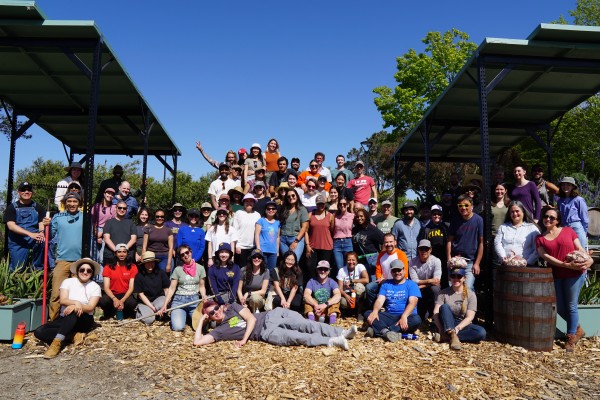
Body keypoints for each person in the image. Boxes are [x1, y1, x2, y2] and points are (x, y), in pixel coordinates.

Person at [193, 300, 356, 350]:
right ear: (210, 317)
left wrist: (243, 340)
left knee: (305, 324)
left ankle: (341, 332)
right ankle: (332, 341)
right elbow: (197, 342)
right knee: (297, 337)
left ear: (219, 306)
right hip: (264, 332)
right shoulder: (219, 331)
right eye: (211, 313)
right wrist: (201, 321)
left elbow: (251, 319)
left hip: (272, 315)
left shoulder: (233, 308)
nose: (216, 312)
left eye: (216, 308)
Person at [536, 208, 592, 352]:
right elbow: (546, 257)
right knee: (559, 307)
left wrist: (588, 258)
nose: (548, 219)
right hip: (557, 274)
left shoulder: (568, 231)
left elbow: (579, 248)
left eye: (552, 218)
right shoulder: (540, 238)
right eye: (546, 217)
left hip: (575, 273)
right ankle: (578, 328)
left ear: (558, 220)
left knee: (571, 305)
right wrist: (563, 264)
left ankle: (570, 337)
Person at [34, 258, 101, 359]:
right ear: (77, 271)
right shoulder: (68, 282)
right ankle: (72, 336)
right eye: (82, 270)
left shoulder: (95, 286)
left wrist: (76, 307)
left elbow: (90, 307)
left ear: (92, 273)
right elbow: (63, 300)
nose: (85, 272)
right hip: (65, 317)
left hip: (83, 319)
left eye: (89, 270)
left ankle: (56, 344)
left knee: (73, 311)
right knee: (39, 331)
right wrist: (76, 302)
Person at [364, 260, 421, 342]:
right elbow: (380, 300)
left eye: (399, 270)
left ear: (404, 270)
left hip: (407, 316)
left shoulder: (412, 284)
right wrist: (375, 311)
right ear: (391, 272)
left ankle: (381, 331)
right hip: (390, 315)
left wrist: (404, 316)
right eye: (394, 270)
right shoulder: (386, 284)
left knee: (416, 320)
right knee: (368, 313)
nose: (397, 272)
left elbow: (413, 302)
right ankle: (389, 332)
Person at [432, 266, 486, 350]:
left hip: (460, 324)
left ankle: (447, 337)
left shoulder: (470, 294)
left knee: (481, 332)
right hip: (445, 322)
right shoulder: (443, 293)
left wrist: (458, 328)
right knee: (445, 307)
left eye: (459, 276)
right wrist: (440, 329)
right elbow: (436, 313)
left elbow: (470, 317)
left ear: (464, 278)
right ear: (450, 278)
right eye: (453, 276)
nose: (456, 279)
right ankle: (450, 334)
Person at [49, 192, 83, 320]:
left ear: (79, 203)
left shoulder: (85, 217)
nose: (72, 204)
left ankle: (75, 322)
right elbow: (50, 235)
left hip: (79, 261)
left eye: (75, 201)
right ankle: (53, 320)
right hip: (62, 260)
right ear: (65, 203)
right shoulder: (58, 217)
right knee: (56, 293)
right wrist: (46, 224)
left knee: (76, 295)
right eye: (69, 201)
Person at [160, 244, 208, 333]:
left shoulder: (200, 268)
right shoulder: (178, 270)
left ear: (191, 252)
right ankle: (183, 316)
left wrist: (204, 296)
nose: (185, 255)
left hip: (194, 301)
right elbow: (171, 288)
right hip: (179, 301)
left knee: (200, 327)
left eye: (187, 252)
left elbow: (202, 286)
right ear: (181, 257)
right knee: (178, 327)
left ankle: (189, 317)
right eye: (182, 255)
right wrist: (165, 305)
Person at [4, 182, 50, 271]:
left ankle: (37, 269)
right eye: (23, 190)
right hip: (17, 240)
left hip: (34, 238)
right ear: (19, 192)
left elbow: (41, 223)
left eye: (29, 190)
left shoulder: (38, 207)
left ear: (32, 192)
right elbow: (11, 226)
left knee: (42, 241)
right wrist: (30, 234)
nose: (26, 192)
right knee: (18, 268)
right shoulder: (11, 208)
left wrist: (41, 233)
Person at [447, 195, 484, 291]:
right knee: (453, 288)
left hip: (470, 262)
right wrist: (449, 260)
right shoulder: (455, 220)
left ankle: (470, 306)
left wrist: (477, 263)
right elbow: (449, 241)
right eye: (460, 205)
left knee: (468, 288)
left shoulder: (478, 220)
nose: (463, 208)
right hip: (455, 261)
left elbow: (481, 242)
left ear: (471, 206)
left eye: (466, 205)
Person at [365, 233, 408, 308]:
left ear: (395, 242)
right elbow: (378, 269)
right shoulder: (381, 255)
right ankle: (372, 308)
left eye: (391, 242)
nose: (389, 244)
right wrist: (379, 278)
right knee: (369, 287)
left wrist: (391, 281)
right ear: (384, 243)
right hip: (383, 281)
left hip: (397, 282)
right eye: (386, 242)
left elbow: (405, 273)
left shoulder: (401, 254)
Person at [494, 200, 540, 266]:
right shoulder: (503, 227)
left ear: (523, 212)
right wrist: (503, 257)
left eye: (517, 211)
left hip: (526, 267)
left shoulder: (532, 228)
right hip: (506, 266)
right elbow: (497, 243)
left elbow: (538, 248)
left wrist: (528, 261)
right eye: (512, 212)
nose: (515, 214)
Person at [98, 244, 138, 319]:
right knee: (104, 301)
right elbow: (106, 287)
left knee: (132, 303)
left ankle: (125, 314)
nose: (122, 254)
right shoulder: (108, 267)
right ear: (115, 253)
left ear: (127, 253)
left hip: (125, 294)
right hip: (112, 294)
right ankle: (109, 313)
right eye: (119, 252)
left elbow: (131, 287)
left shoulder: (132, 267)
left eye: (124, 252)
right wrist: (114, 299)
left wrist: (122, 300)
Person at [134, 251, 170, 325]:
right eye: (147, 262)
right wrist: (153, 309)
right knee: (149, 320)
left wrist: (166, 304)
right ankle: (140, 313)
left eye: (152, 262)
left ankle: (158, 313)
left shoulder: (161, 273)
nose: (150, 265)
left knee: (163, 303)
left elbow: (166, 289)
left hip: (158, 299)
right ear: (143, 264)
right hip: (145, 302)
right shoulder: (139, 276)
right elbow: (141, 295)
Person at [409, 239, 441, 321]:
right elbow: (414, 281)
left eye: (426, 249)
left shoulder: (436, 261)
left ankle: (436, 315)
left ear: (430, 250)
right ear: (418, 250)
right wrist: (430, 281)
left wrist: (424, 284)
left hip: (428, 287)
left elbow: (437, 280)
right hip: (419, 288)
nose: (424, 251)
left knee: (435, 289)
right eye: (421, 249)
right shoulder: (412, 262)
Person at [305, 194, 334, 280]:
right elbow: (306, 231)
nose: (321, 205)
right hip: (312, 246)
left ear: (325, 204)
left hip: (326, 247)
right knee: (310, 267)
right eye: (319, 204)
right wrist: (307, 245)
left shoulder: (330, 216)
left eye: (322, 203)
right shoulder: (310, 215)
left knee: (324, 269)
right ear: (316, 204)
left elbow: (332, 230)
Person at [557, 177, 589, 249]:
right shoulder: (560, 201)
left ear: (572, 187)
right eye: (563, 185)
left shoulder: (579, 200)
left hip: (576, 227)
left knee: (579, 251)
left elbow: (584, 217)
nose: (565, 187)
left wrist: (584, 232)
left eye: (568, 185)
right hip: (564, 228)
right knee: (567, 251)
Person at [352, 208, 384, 279]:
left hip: (371, 259)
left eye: (361, 216)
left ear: (366, 217)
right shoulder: (355, 230)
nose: (359, 218)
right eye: (357, 217)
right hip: (359, 259)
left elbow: (384, 240)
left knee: (373, 280)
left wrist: (381, 254)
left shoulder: (372, 229)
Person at [278, 188, 309, 261]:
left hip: (295, 238)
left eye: (293, 195)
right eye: (288, 196)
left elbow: (304, 227)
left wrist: (296, 241)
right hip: (283, 240)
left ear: (297, 196)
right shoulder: (284, 209)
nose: (291, 197)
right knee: (286, 262)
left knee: (294, 261)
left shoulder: (302, 209)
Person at [103, 201, 137, 265]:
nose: (122, 210)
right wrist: (117, 251)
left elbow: (133, 239)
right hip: (111, 256)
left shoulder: (131, 223)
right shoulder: (109, 222)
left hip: (128, 257)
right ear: (115, 208)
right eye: (120, 208)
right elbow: (106, 239)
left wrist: (124, 251)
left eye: (124, 208)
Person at [336, 252, 369, 319]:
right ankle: (349, 311)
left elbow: (366, 280)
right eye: (349, 260)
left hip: (357, 292)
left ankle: (360, 312)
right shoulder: (342, 270)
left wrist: (352, 281)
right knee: (343, 302)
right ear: (346, 261)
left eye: (353, 260)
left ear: (357, 261)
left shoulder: (360, 266)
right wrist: (346, 296)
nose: (351, 262)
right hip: (347, 293)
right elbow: (339, 288)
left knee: (359, 288)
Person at [232, 193, 261, 265]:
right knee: (241, 269)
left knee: (250, 268)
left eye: (251, 201)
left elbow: (259, 232)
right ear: (243, 202)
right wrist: (237, 245)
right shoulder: (238, 213)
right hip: (241, 247)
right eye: (246, 201)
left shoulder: (257, 215)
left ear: (254, 203)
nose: (249, 203)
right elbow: (234, 230)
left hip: (253, 247)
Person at [142, 208, 174, 273]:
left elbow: (171, 248)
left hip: (164, 256)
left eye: (162, 216)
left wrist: (168, 264)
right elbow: (144, 246)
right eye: (157, 216)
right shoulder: (148, 229)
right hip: (151, 256)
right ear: (154, 217)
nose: (160, 218)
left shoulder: (168, 230)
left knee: (162, 272)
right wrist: (143, 257)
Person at [423, 205, 448, 287]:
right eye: (434, 214)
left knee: (445, 278)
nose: (437, 216)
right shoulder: (427, 229)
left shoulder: (446, 226)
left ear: (442, 215)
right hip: (432, 258)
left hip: (445, 257)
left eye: (439, 214)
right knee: (434, 280)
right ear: (431, 215)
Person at [91, 186, 116, 265]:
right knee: (93, 256)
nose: (110, 196)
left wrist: (101, 234)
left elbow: (112, 222)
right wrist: (96, 234)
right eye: (108, 193)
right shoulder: (96, 206)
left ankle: (101, 277)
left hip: (106, 232)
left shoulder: (114, 208)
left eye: (112, 194)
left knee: (101, 258)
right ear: (104, 194)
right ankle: (93, 277)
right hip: (95, 230)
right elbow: (93, 221)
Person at [255, 200, 280, 271]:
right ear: (265, 210)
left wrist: (277, 251)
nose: (271, 210)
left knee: (272, 271)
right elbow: (257, 234)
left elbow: (278, 237)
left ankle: (270, 282)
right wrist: (258, 247)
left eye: (273, 209)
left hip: (273, 251)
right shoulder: (261, 221)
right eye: (268, 209)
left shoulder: (278, 222)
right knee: (263, 270)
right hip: (263, 250)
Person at [332, 197, 354, 270]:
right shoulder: (335, 216)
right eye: (340, 204)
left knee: (349, 266)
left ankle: (350, 281)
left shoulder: (352, 216)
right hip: (337, 243)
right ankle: (341, 281)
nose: (342, 205)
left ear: (348, 205)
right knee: (340, 268)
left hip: (348, 242)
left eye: (344, 204)